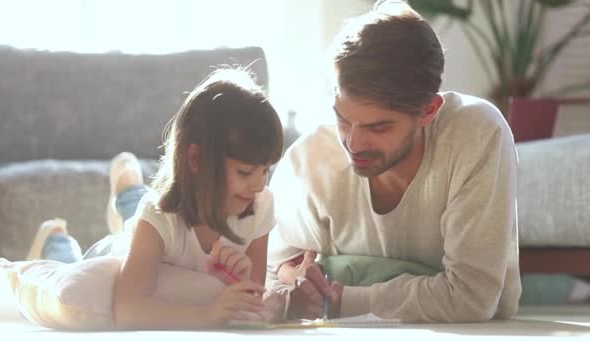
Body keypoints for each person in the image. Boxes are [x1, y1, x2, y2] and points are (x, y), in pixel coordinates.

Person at [266, 0, 522, 323]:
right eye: (342, 119)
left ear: (428, 111)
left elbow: (472, 298)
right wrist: (292, 288)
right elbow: (268, 277)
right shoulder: (310, 161)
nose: (353, 143)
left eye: (379, 127)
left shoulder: (476, 135)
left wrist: (340, 298)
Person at [26, 68, 284, 329]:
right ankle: (55, 238)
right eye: (245, 172)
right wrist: (209, 313)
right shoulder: (160, 217)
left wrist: (240, 279)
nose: (259, 184)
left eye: (266, 170)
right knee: (72, 267)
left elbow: (252, 299)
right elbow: (127, 309)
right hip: (121, 246)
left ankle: (127, 191)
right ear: (196, 158)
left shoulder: (260, 205)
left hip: (160, 219)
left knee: (140, 206)